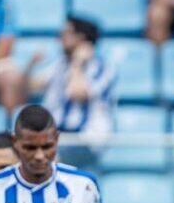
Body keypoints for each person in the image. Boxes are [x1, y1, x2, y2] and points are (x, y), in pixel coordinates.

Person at [32, 17, 118, 163]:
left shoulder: (102, 68)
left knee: (44, 157)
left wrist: (78, 63)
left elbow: (77, 93)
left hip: (86, 140)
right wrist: (31, 64)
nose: (60, 37)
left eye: (66, 33)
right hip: (57, 138)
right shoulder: (60, 65)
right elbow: (31, 87)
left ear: (81, 38)